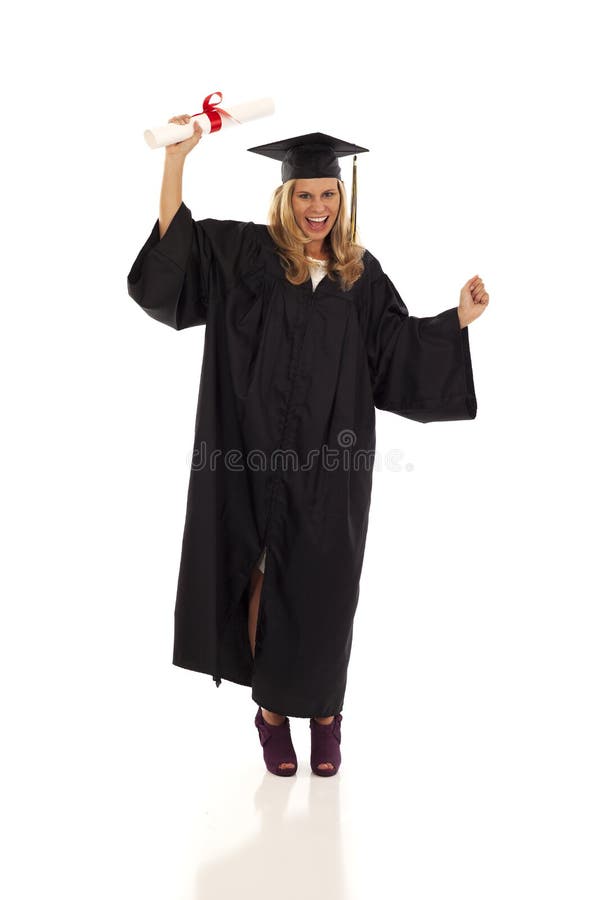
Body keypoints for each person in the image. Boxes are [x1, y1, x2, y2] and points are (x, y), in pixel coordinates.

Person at [126, 115, 489, 777]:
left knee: (324, 589)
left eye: (327, 194)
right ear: (284, 198)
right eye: (304, 194)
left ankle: (326, 716)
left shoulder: (362, 276)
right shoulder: (247, 257)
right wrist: (175, 162)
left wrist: (457, 322)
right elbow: (177, 256)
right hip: (248, 455)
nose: (317, 206)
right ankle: (269, 716)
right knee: (258, 576)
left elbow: (397, 353)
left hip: (330, 467)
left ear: (341, 200)